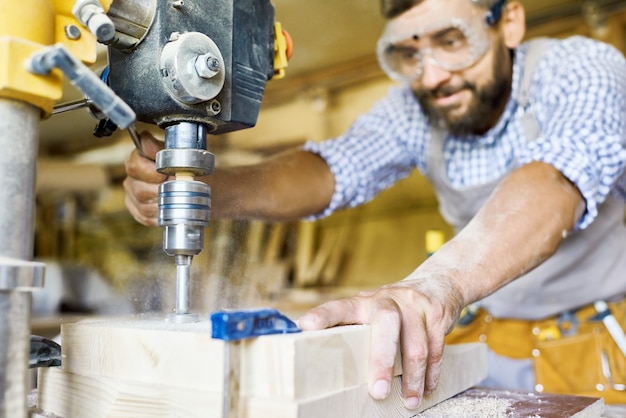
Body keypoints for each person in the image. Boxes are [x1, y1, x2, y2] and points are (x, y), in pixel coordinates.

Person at [124, 0, 626, 410]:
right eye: (409, 54)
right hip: (492, 332)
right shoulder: (416, 109)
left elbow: (555, 181)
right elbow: (331, 169)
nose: (431, 76)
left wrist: (436, 283)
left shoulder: (582, 68)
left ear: (509, 21)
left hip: (599, 334)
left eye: (452, 42)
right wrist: (203, 189)